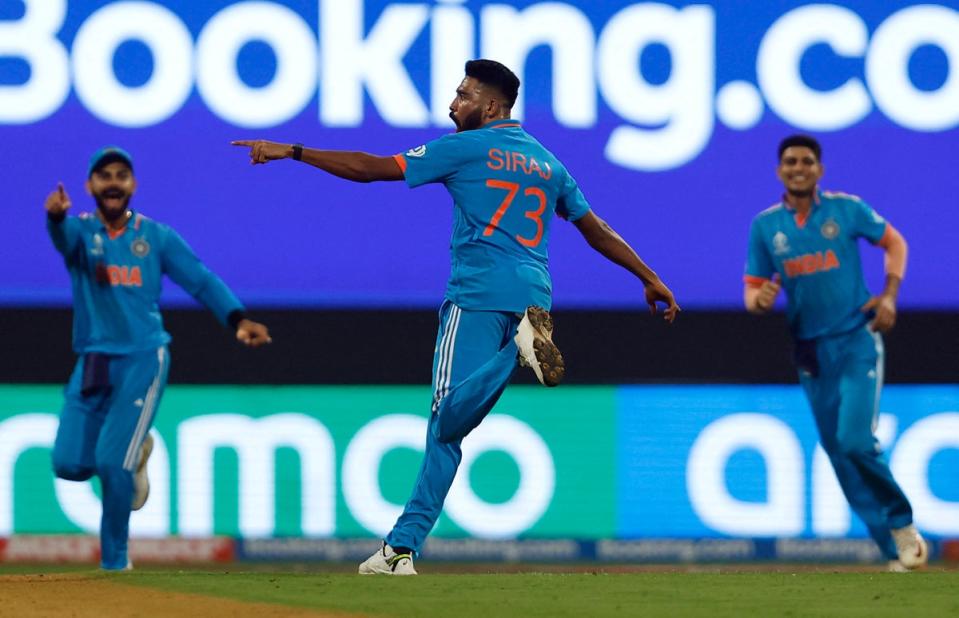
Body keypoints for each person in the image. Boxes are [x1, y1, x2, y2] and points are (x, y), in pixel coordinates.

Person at [233, 59, 679, 575]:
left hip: (476, 296)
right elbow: (595, 228)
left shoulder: (464, 148)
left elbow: (369, 168)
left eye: (463, 95)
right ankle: (399, 551)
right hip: (533, 295)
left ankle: (517, 353)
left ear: (491, 107)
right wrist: (648, 275)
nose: (452, 104)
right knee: (450, 432)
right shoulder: (547, 163)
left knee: (444, 421)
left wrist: (294, 151)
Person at [45, 146, 272, 570]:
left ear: (132, 185)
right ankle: (138, 455)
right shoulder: (79, 233)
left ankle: (115, 563)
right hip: (93, 361)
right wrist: (55, 217)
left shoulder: (156, 237)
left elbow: (200, 279)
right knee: (69, 465)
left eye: (121, 175)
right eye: (104, 175)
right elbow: (61, 239)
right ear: (91, 186)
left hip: (143, 358)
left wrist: (236, 318)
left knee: (112, 463)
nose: (113, 182)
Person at [743, 134, 925, 571]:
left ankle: (903, 526)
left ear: (819, 170)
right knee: (839, 455)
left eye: (807, 160)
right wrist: (761, 301)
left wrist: (889, 297)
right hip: (810, 354)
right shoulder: (766, 226)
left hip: (856, 341)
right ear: (779, 171)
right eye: (790, 161)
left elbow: (895, 243)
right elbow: (751, 293)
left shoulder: (846, 210)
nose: (799, 167)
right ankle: (895, 552)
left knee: (855, 440)